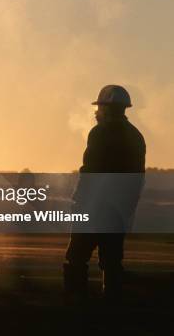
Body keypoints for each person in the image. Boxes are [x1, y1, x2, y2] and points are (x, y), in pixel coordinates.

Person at [64, 85, 145, 302]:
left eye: (100, 107)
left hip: (93, 206)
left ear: (107, 109)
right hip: (117, 211)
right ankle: (112, 307)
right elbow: (137, 180)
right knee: (111, 261)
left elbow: (89, 172)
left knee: (77, 257)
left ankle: (76, 302)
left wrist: (78, 202)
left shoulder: (99, 133)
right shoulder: (136, 137)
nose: (97, 112)